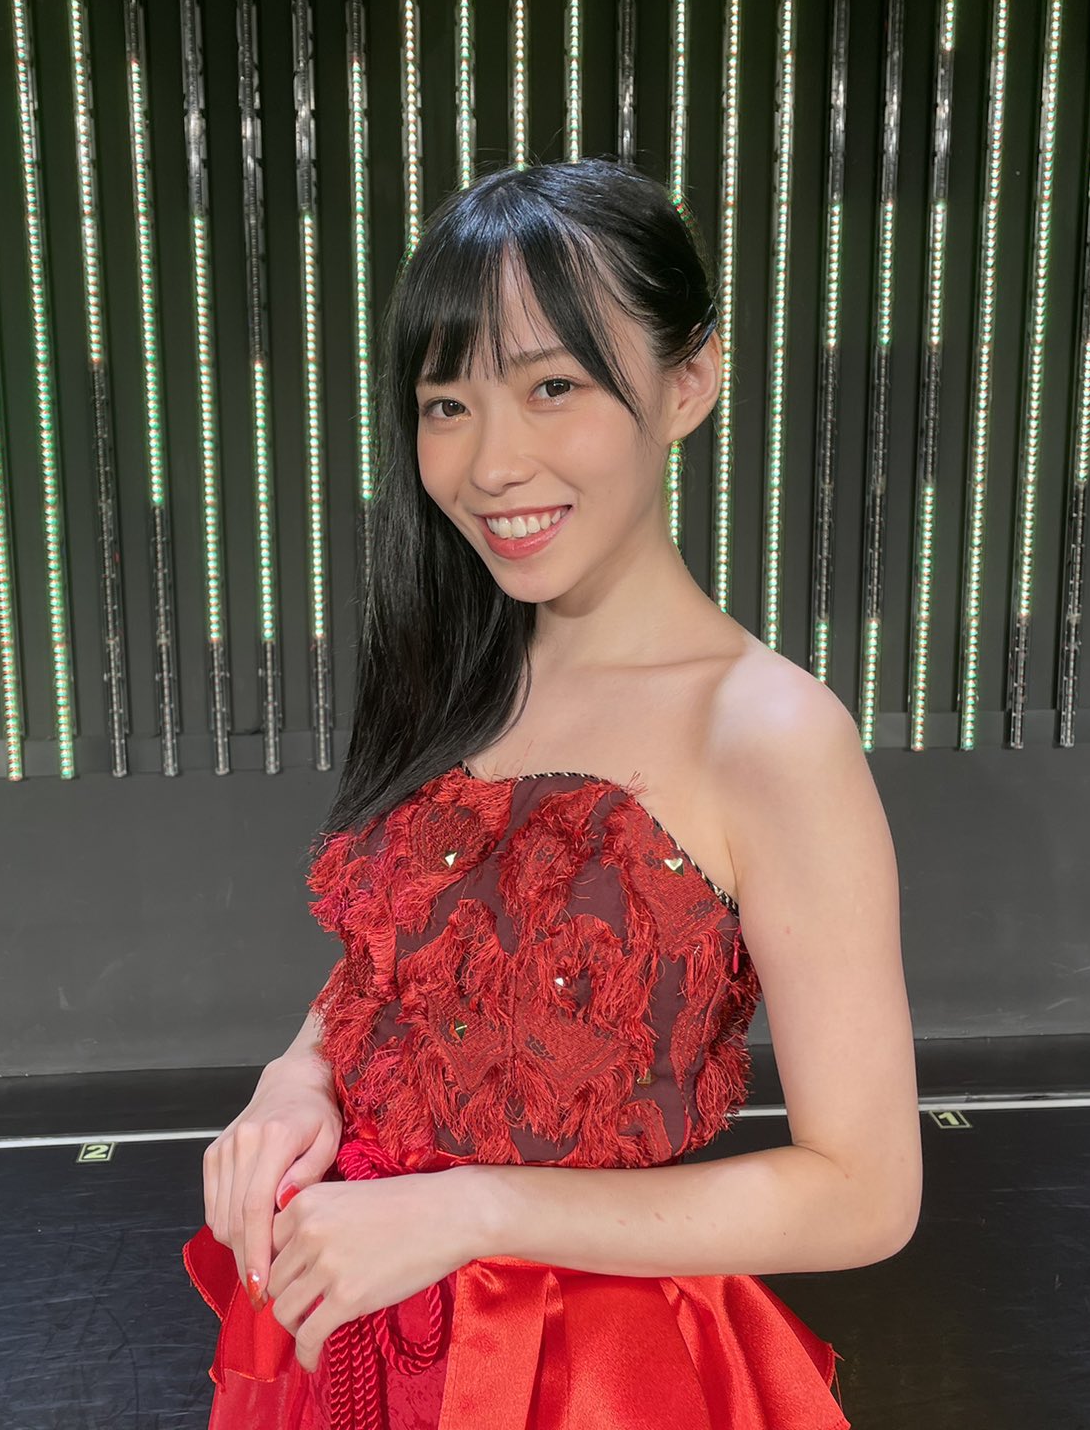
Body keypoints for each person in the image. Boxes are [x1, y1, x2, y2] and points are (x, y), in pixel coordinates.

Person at [183, 158, 919, 1429]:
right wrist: (296, 1077)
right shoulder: (462, 674)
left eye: (552, 387)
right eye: (447, 403)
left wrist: (473, 1207)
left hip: (582, 1378)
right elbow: (406, 968)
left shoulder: (767, 734)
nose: (490, 463)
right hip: (353, 1320)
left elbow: (863, 1193)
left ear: (686, 384)